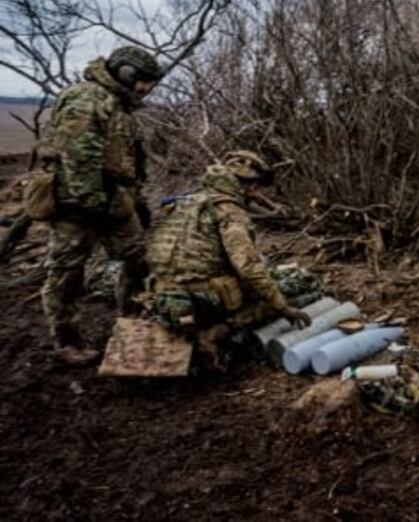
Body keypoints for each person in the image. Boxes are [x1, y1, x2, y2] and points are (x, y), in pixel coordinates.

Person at [33, 46, 162, 365]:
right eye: (143, 80)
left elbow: (127, 162)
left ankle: (132, 318)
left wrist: (138, 200)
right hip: (74, 204)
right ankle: (67, 341)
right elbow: (79, 158)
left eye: (151, 83)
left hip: (111, 201)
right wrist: (92, 204)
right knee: (66, 272)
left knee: (137, 257)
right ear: (126, 73)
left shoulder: (120, 107)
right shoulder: (87, 98)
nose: (146, 88)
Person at [146, 150, 311, 368]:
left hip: (162, 295)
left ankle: (183, 322)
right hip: (200, 299)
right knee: (277, 291)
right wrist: (282, 307)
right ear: (252, 186)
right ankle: (217, 333)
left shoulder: (182, 203)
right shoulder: (230, 212)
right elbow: (249, 268)